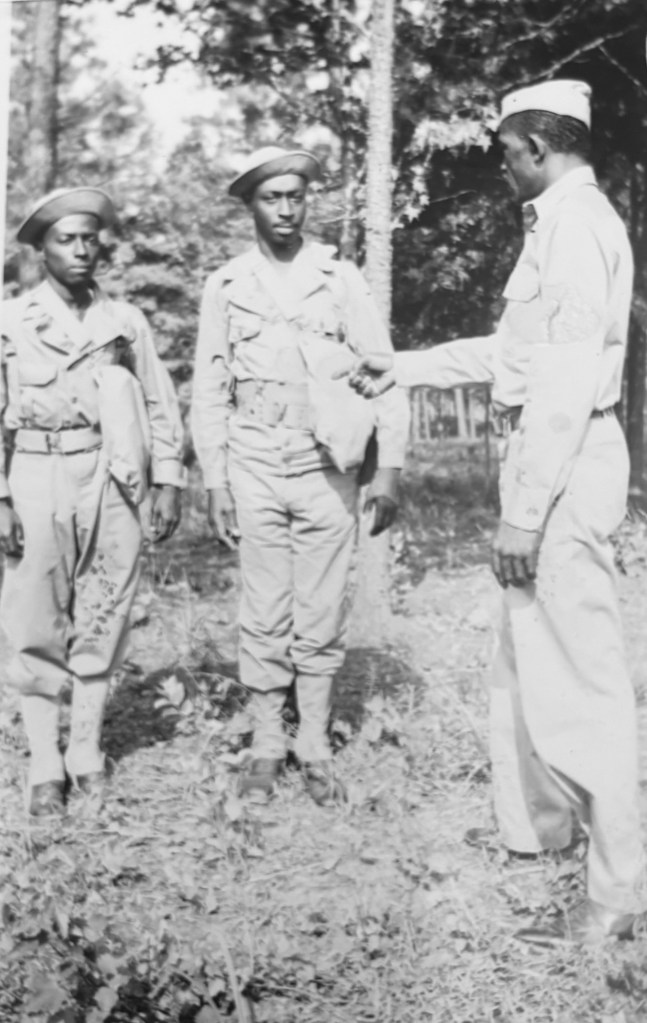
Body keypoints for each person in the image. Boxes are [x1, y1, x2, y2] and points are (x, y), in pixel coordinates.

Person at [344, 81, 644, 945]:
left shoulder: (580, 230)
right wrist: (401, 366)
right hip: (541, 463)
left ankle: (617, 892)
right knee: (520, 662)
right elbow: (515, 354)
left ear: (538, 147)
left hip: (560, 467)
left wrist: (522, 515)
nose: (503, 169)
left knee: (579, 683)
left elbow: (558, 390)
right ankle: (541, 836)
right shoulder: (554, 226)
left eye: (507, 153)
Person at [191, 146, 409, 805]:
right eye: (272, 197)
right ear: (251, 206)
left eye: (296, 195)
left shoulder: (337, 277)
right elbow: (208, 388)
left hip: (325, 463)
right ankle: (265, 742)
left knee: (318, 605)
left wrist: (389, 468)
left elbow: (382, 370)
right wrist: (216, 480)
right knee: (263, 605)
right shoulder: (227, 284)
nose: (286, 208)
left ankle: (311, 741)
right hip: (254, 456)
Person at [1, 187, 185, 817]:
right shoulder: (11, 321)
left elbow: (159, 404)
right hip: (35, 471)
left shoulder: (124, 322)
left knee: (106, 610)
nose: (81, 251)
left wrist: (168, 480)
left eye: (89, 238)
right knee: (34, 618)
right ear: (40, 250)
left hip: (112, 476)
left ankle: (85, 751)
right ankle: (45, 764)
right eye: (65, 240)